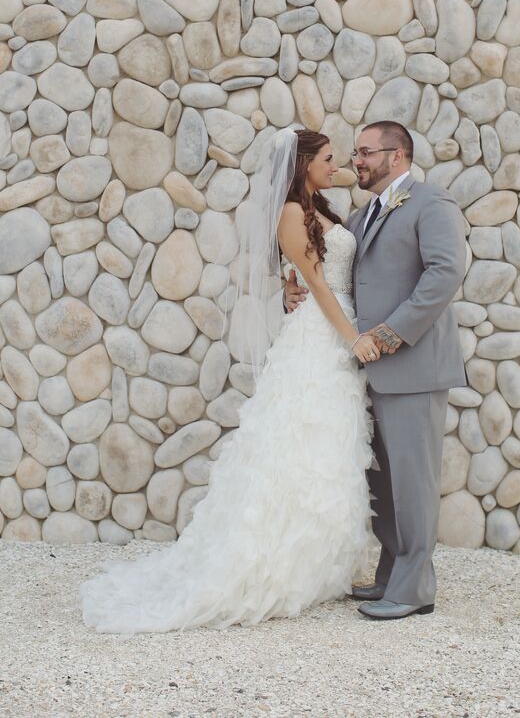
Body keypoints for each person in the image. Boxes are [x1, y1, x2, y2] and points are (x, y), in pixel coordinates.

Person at [79, 128, 379, 634]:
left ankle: (314, 562)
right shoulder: (289, 212)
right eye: (328, 159)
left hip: (331, 329)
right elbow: (319, 286)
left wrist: (296, 287)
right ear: (303, 163)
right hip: (320, 335)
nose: (337, 165)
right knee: (300, 444)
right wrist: (352, 337)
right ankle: (271, 564)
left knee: (327, 447)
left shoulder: (318, 207)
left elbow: (308, 275)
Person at [285, 120, 467, 621]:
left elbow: (446, 271)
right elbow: (344, 274)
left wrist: (390, 333)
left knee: (413, 481)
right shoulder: (365, 213)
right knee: (385, 484)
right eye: (356, 153)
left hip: (411, 365)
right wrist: (292, 289)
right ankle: (391, 575)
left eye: (366, 152)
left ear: (398, 155)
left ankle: (415, 590)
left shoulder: (432, 203)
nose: (356, 161)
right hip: (367, 367)